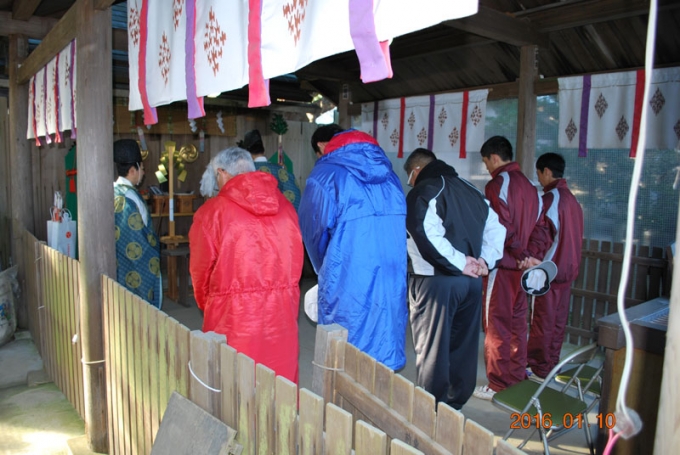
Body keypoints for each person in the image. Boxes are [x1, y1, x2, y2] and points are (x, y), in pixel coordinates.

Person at [189, 147, 303, 384]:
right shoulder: (286, 208)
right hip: (280, 315)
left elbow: (200, 274)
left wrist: (211, 304)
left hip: (234, 318)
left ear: (222, 173)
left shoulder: (212, 213)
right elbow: (296, 262)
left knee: (234, 383)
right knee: (278, 381)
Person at [298, 127, 408, 371]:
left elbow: (313, 232)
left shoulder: (325, 175)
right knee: (384, 346)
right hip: (391, 276)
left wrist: (324, 269)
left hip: (348, 275)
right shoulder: (391, 177)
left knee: (347, 354)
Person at [404, 148, 505, 409]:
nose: (410, 183)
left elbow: (424, 232)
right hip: (471, 282)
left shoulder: (425, 190)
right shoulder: (472, 190)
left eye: (410, 176)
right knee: (463, 345)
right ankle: (455, 402)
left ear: (416, 170)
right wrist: (484, 261)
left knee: (432, 348)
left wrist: (460, 263)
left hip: (436, 281)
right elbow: (496, 229)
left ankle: (431, 407)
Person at [473, 136, 547, 400]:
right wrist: (530, 256)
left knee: (496, 326)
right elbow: (541, 228)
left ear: (494, 157)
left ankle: (497, 384)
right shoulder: (532, 188)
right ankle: (515, 378)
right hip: (522, 269)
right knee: (517, 325)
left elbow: (500, 227)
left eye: (486, 162)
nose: (487, 168)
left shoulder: (497, 185)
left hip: (502, 267)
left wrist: (521, 254)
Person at [521, 153, 584, 379]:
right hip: (568, 269)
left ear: (547, 171)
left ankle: (538, 367)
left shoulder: (550, 199)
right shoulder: (573, 200)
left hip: (548, 270)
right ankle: (550, 365)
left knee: (542, 321)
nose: (539, 179)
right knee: (557, 322)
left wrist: (528, 259)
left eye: (539, 174)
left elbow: (541, 236)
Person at [113, 139, 162, 309]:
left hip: (115, 260)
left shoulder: (111, 191)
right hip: (137, 259)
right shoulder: (131, 197)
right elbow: (140, 237)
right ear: (133, 170)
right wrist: (155, 247)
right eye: (142, 167)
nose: (144, 171)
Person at [242, 129, 301, 210]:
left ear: (247, 154)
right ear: (264, 151)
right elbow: (296, 197)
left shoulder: (245, 173)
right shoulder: (281, 171)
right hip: (280, 216)